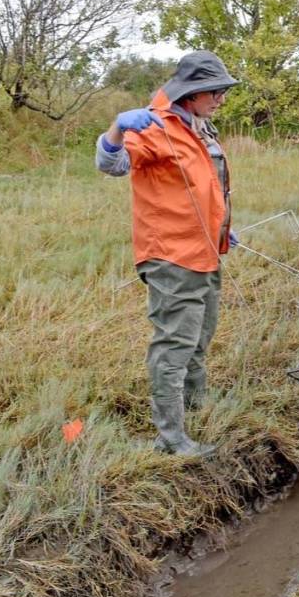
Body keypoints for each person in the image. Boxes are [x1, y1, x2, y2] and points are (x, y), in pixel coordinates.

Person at [96, 51, 240, 457]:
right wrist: (116, 129)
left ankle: (195, 405)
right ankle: (171, 438)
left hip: (207, 250)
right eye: (215, 91)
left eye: (223, 91)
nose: (221, 99)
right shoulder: (155, 126)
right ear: (191, 93)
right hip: (172, 256)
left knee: (200, 335)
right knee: (175, 344)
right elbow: (112, 164)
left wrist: (224, 227)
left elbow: (206, 189)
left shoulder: (201, 129)